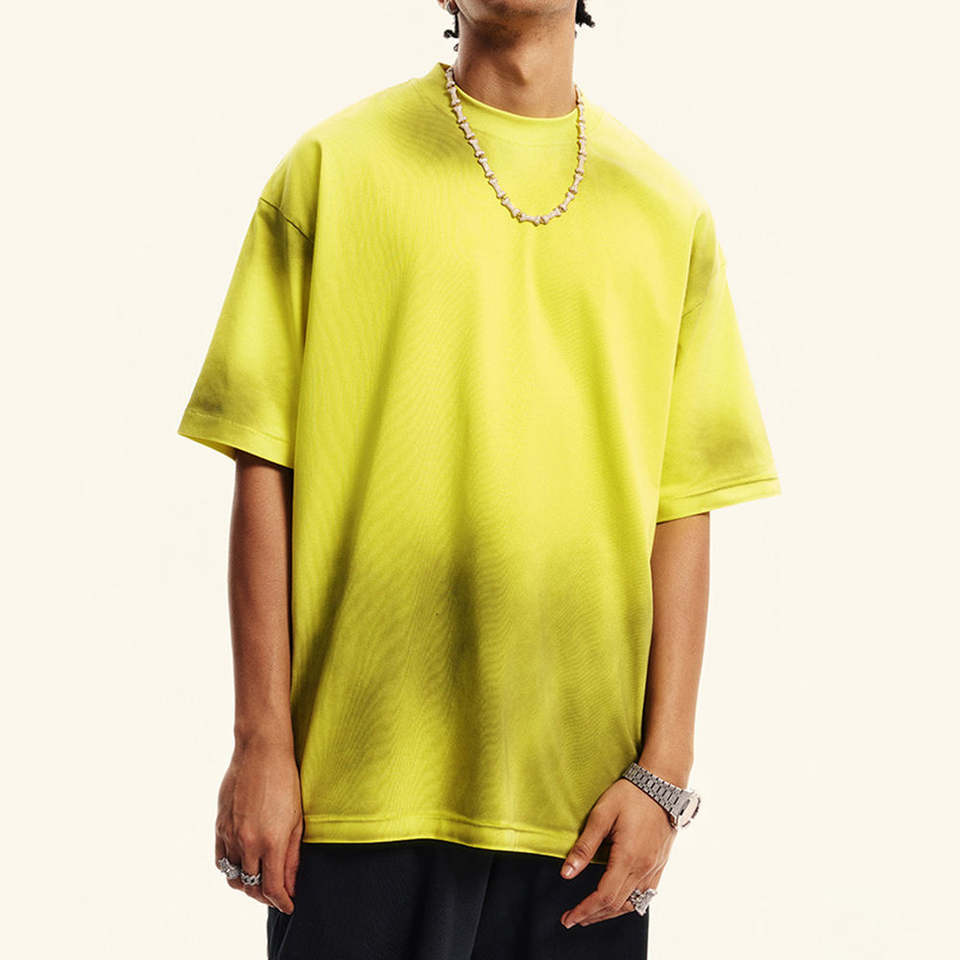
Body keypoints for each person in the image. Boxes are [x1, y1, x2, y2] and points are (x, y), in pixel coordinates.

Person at [176, 2, 782, 957]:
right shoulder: (333, 169)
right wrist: (262, 744)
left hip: (582, 815)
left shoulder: (668, 212)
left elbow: (683, 504)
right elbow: (264, 465)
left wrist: (664, 776)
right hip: (354, 789)